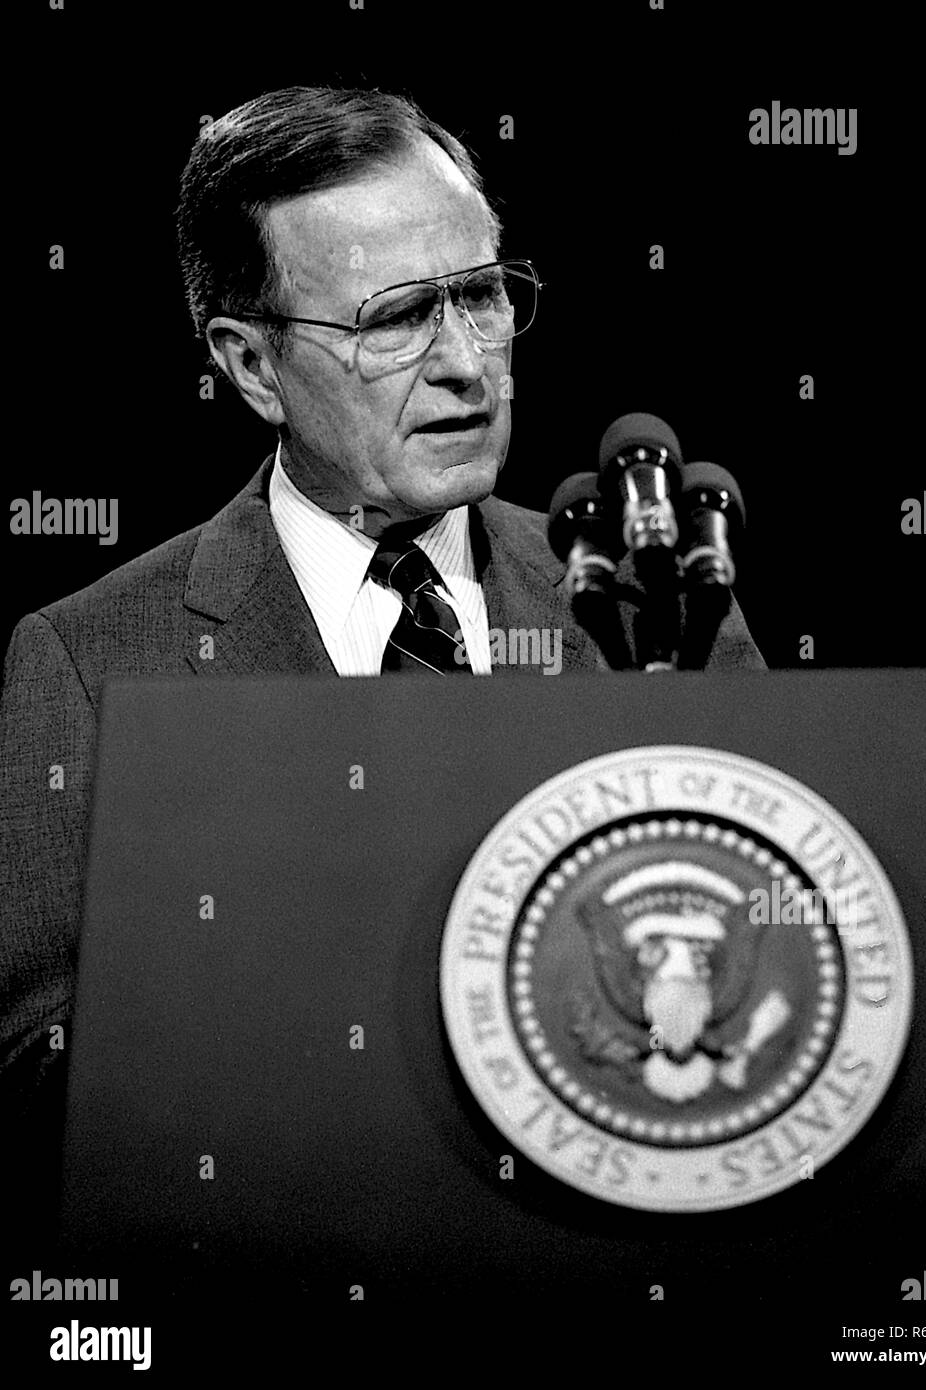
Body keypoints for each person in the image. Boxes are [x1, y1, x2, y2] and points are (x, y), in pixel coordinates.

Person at [0, 85, 764, 1110]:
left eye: (482, 296)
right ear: (251, 365)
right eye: (395, 318)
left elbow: (777, 935)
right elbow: (41, 1076)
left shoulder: (647, 598)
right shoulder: (91, 661)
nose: (463, 364)